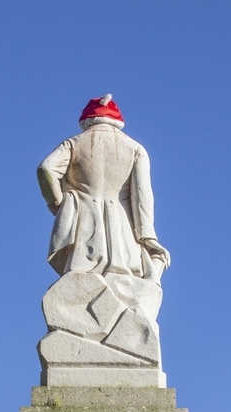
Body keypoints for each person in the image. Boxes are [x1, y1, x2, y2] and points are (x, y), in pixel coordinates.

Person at [37, 95, 170, 282]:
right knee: (124, 279)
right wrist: (148, 237)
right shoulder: (136, 149)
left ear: (87, 120)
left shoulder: (73, 144)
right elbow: (142, 197)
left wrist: (58, 205)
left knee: (80, 276)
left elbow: (46, 169)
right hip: (122, 229)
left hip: (82, 222)